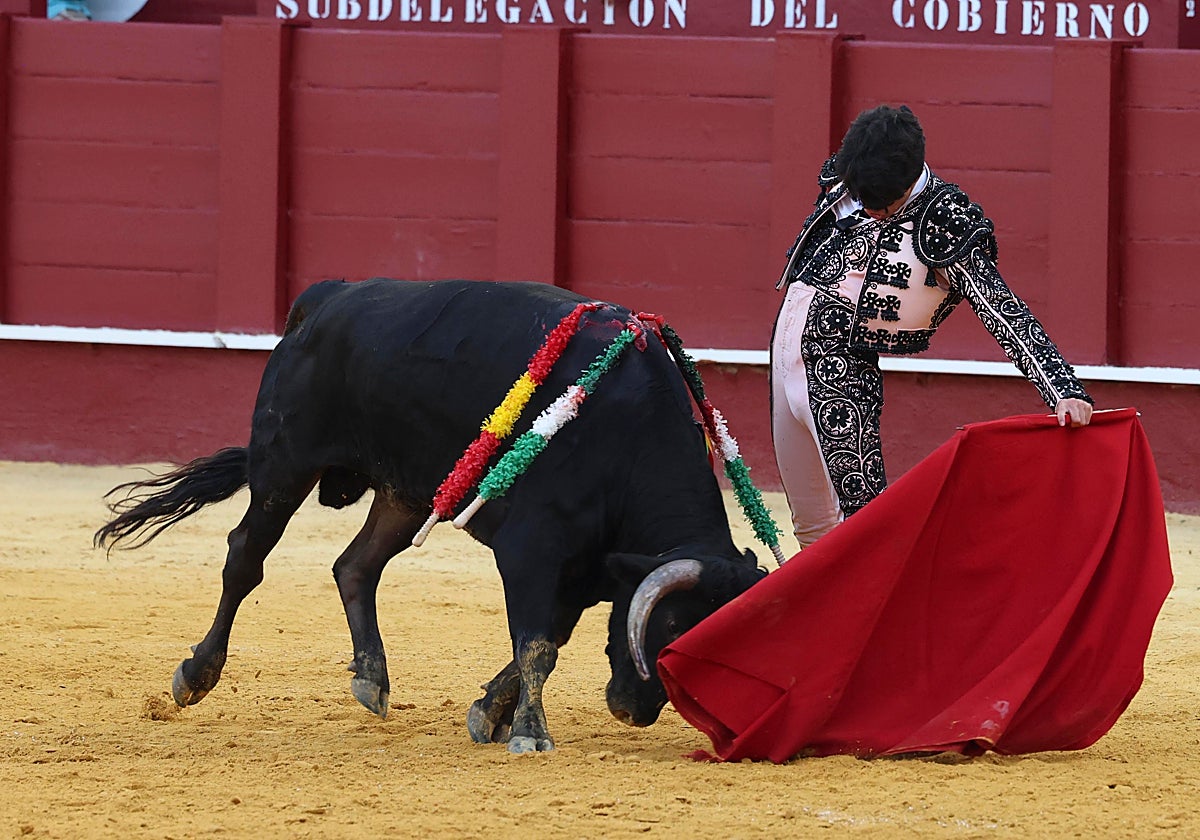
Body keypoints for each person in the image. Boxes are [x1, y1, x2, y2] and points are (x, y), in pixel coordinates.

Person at [771, 104, 1094, 548]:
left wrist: (1063, 389)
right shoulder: (855, 173)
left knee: (862, 523)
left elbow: (1001, 308)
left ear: (908, 180)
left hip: (839, 369)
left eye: (883, 203)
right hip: (782, 351)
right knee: (809, 521)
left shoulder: (945, 221)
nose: (872, 209)